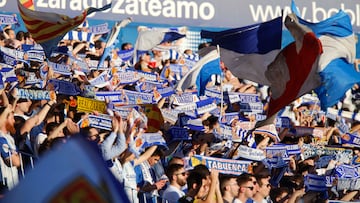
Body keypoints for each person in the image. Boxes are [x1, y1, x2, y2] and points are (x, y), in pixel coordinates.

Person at [0, 105, 20, 193]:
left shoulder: (9, 138)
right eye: (12, 118)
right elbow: (16, 161)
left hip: (14, 183)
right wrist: (6, 110)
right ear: (4, 120)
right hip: (4, 185)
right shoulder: (1, 138)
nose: (14, 121)